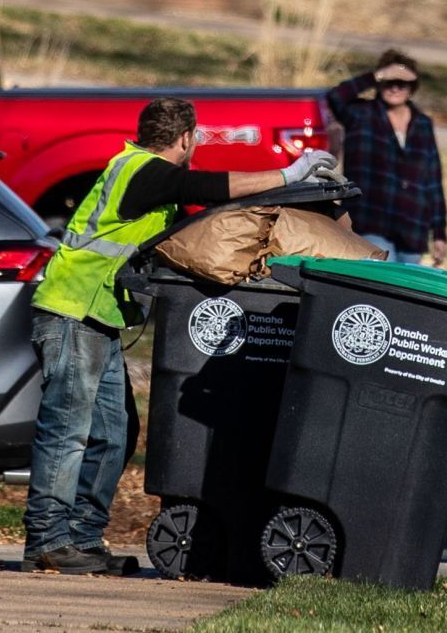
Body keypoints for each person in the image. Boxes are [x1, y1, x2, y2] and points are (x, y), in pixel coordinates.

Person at [23, 98, 337, 575]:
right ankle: (47, 541)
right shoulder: (143, 171)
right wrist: (290, 175)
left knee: (114, 433)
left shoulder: (152, 182)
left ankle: (82, 540)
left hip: (96, 315)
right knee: (68, 431)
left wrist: (296, 198)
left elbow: (212, 216)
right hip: (71, 311)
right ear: (186, 138)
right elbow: (206, 186)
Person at [326, 50, 447, 266]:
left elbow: (432, 181)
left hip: (412, 228)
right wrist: (376, 75)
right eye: (389, 81)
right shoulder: (361, 114)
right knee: (380, 285)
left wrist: (439, 233)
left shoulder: (423, 124)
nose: (395, 88)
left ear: (412, 88)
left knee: (407, 292)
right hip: (371, 221)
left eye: (403, 83)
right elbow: (336, 96)